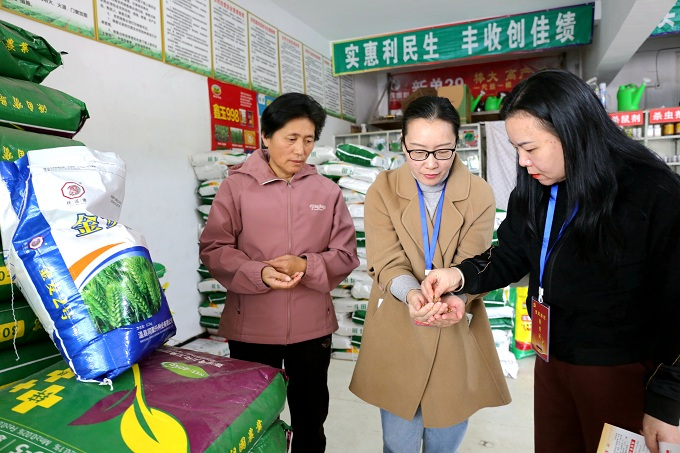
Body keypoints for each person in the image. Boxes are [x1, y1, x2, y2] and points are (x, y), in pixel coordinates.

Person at [421, 68, 680, 453]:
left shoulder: (649, 191)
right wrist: (459, 276)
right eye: (516, 149)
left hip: (620, 369)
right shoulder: (536, 187)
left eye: (531, 148)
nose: (523, 162)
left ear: (572, 132)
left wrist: (668, 401)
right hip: (551, 357)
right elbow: (510, 253)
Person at [349, 95, 511, 453]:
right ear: (402, 144)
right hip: (399, 320)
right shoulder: (383, 190)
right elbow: (387, 259)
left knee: (445, 439)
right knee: (398, 442)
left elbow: (474, 263)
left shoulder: (479, 194)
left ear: (458, 143)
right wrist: (412, 294)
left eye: (443, 151)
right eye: (418, 152)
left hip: (455, 324)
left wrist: (452, 299)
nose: (431, 163)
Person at [199, 92, 359, 453]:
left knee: (311, 419)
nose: (300, 150)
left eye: (309, 140)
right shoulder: (236, 187)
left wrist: (307, 265)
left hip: (311, 330)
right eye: (291, 138)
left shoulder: (327, 192)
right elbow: (214, 248)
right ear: (266, 137)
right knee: (250, 419)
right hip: (251, 327)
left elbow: (346, 254)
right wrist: (257, 273)